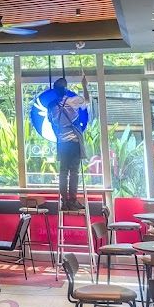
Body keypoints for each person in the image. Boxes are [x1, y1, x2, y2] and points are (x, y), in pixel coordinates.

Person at [47, 75, 89, 210]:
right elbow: (87, 101)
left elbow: (51, 122)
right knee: (74, 172)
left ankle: (64, 201)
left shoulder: (51, 106)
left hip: (62, 143)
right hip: (74, 141)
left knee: (63, 172)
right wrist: (84, 86)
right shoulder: (72, 101)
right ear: (65, 89)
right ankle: (73, 200)